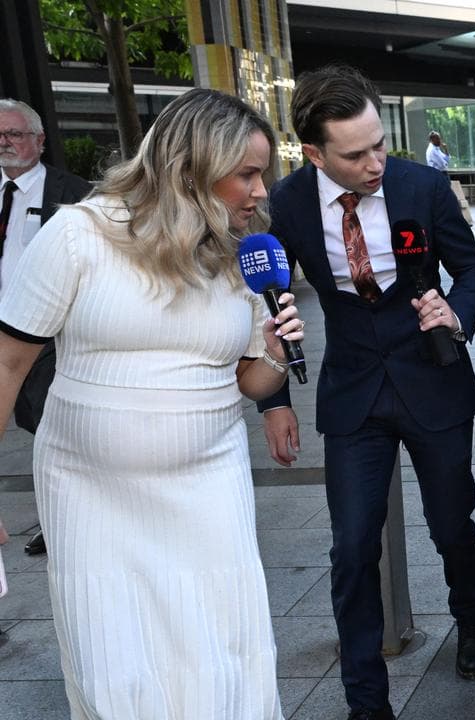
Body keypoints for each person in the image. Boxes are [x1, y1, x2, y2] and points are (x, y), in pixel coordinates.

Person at [0, 88, 303, 718]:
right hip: (90, 496)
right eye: (246, 174)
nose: (260, 192)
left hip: (208, 486)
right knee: (115, 665)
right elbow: (7, 363)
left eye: (263, 175)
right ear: (191, 166)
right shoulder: (79, 235)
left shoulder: (238, 255)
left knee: (222, 658)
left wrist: (274, 353)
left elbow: (251, 383)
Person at [258, 64, 475, 720]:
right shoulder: (288, 203)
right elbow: (264, 304)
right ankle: (366, 698)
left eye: (380, 145)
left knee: (451, 523)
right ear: (314, 153)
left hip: (435, 379)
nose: (374, 163)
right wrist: (273, 399)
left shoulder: (422, 186)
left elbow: (472, 269)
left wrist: (456, 312)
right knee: (352, 544)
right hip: (354, 392)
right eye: (355, 154)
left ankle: (472, 619)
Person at [0, 98, 93, 557]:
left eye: (15, 133)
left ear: (39, 140)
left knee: (52, 426)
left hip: (51, 336)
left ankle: (66, 519)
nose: (5, 142)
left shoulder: (73, 192)